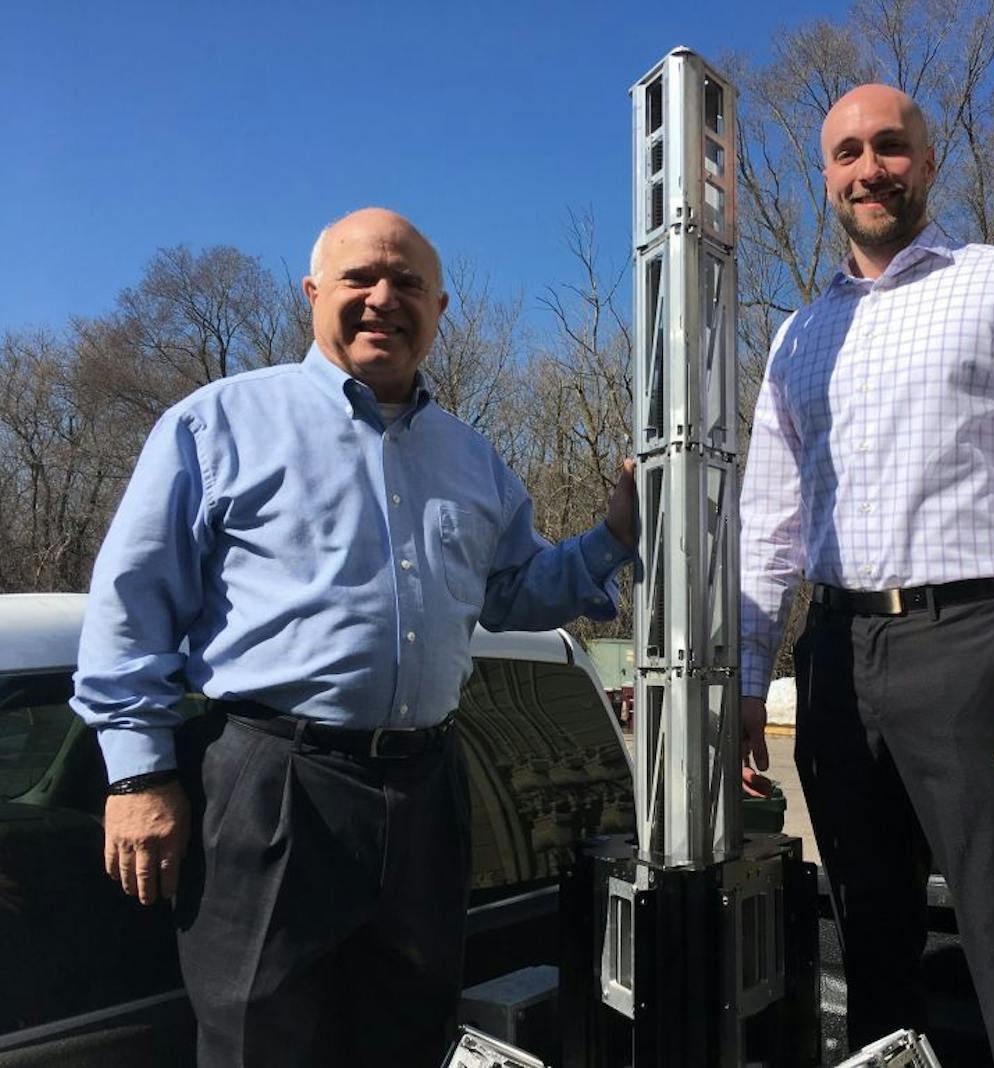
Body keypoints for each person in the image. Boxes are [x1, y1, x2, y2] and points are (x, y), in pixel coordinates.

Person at [72, 207, 636, 1067]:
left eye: (407, 284)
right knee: (264, 1044)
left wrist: (615, 536)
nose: (384, 299)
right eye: (360, 279)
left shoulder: (472, 458)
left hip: (428, 789)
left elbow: (515, 593)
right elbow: (131, 604)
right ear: (313, 295)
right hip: (275, 783)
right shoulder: (218, 425)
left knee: (408, 1038)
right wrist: (140, 773)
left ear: (440, 308)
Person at [739, 86, 994, 1067]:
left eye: (889, 147)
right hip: (831, 654)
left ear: (927, 162)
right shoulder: (796, 335)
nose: (868, 168)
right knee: (868, 951)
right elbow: (766, 527)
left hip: (972, 648)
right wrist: (743, 682)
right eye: (846, 153)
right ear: (825, 177)